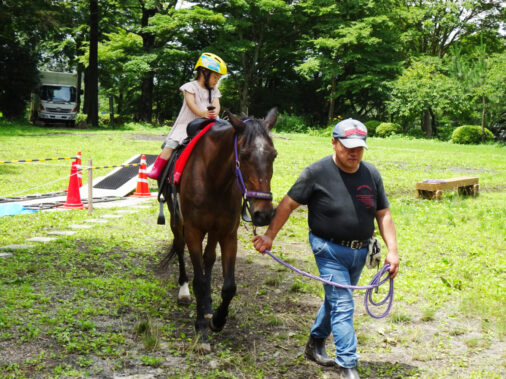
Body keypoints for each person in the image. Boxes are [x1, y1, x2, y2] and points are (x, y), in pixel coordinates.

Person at [252, 118, 399, 379]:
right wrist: (269, 236)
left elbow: (383, 213)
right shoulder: (315, 173)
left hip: (360, 251)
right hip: (327, 249)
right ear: (333, 143)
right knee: (343, 303)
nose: (354, 153)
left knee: (335, 301)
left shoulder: (371, 174)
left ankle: (315, 341)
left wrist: (392, 250)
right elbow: (286, 205)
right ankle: (348, 365)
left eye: (359, 148)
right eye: (348, 147)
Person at [147, 52, 227, 180]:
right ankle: (158, 169)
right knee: (172, 144)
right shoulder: (190, 87)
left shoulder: (214, 90)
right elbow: (191, 105)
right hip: (188, 123)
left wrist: (214, 113)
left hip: (208, 123)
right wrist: (202, 113)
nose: (217, 81)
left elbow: (216, 104)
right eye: (215, 77)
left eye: (218, 79)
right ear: (203, 73)